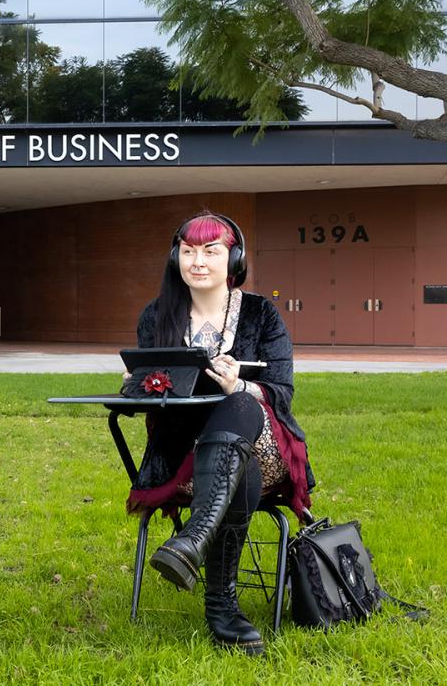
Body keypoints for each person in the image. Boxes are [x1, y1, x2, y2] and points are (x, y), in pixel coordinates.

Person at [127, 211, 313, 655]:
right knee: (235, 466)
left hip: (264, 445)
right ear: (176, 258)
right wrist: (141, 387)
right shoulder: (157, 317)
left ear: (234, 258)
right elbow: (143, 388)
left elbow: (283, 392)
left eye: (211, 251)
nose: (198, 261)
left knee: (241, 406)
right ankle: (221, 606)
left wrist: (239, 385)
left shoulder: (261, 314)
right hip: (183, 456)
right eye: (188, 251)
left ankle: (193, 539)